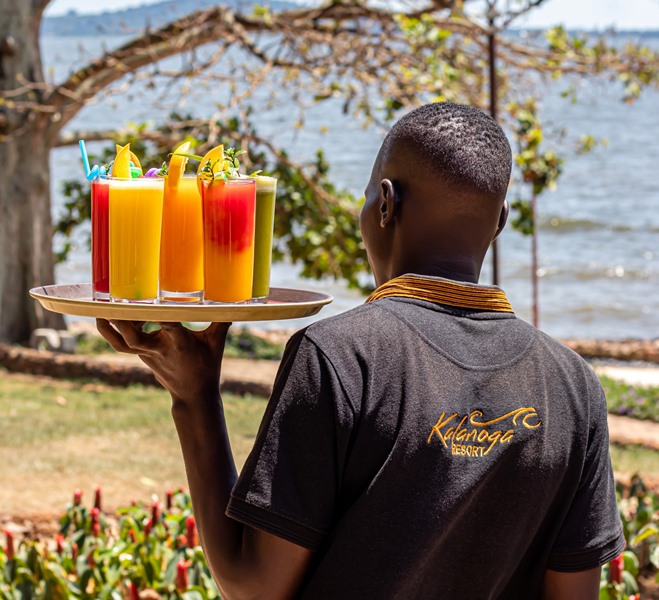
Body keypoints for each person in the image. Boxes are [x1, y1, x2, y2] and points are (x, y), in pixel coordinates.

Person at [97, 102, 624, 600]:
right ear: (502, 219)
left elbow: (253, 586)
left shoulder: (340, 357)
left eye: (369, 196)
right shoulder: (574, 386)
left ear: (387, 205)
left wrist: (194, 400)